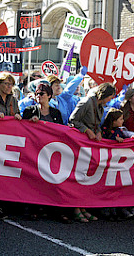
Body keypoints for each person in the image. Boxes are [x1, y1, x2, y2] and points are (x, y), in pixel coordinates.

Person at [22, 83, 81, 223]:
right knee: (34, 180)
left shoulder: (55, 113)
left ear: (49, 96)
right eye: (37, 93)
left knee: (55, 181)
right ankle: (34, 209)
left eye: (42, 94)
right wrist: (31, 122)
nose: (38, 96)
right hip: (34, 151)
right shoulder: (30, 110)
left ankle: (58, 211)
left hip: (52, 151)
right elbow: (22, 129)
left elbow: (60, 131)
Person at [100, 108, 134, 220]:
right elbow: (104, 139)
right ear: (113, 121)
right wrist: (114, 139)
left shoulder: (120, 130)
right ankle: (106, 210)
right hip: (107, 162)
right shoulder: (105, 130)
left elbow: (126, 136)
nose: (123, 121)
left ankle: (116, 209)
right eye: (121, 119)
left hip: (118, 162)